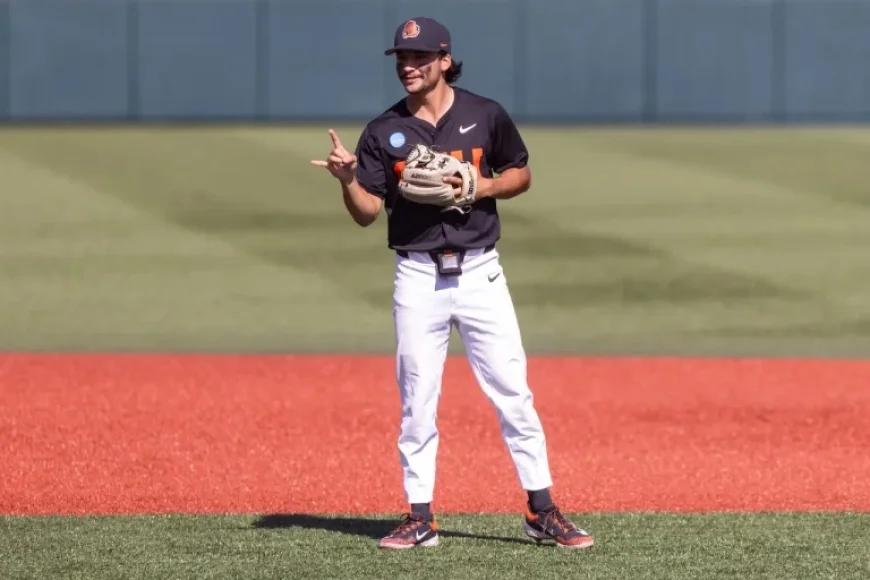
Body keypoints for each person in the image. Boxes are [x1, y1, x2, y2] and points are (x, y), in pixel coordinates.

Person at [310, 16, 594, 550]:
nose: (408, 66)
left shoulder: (485, 115)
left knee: (514, 394)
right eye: (401, 58)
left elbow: (521, 174)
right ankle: (420, 518)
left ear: (444, 60)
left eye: (419, 57)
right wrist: (347, 180)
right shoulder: (383, 131)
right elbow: (367, 212)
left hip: (482, 273)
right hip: (417, 275)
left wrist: (479, 186)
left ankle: (542, 510)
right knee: (417, 401)